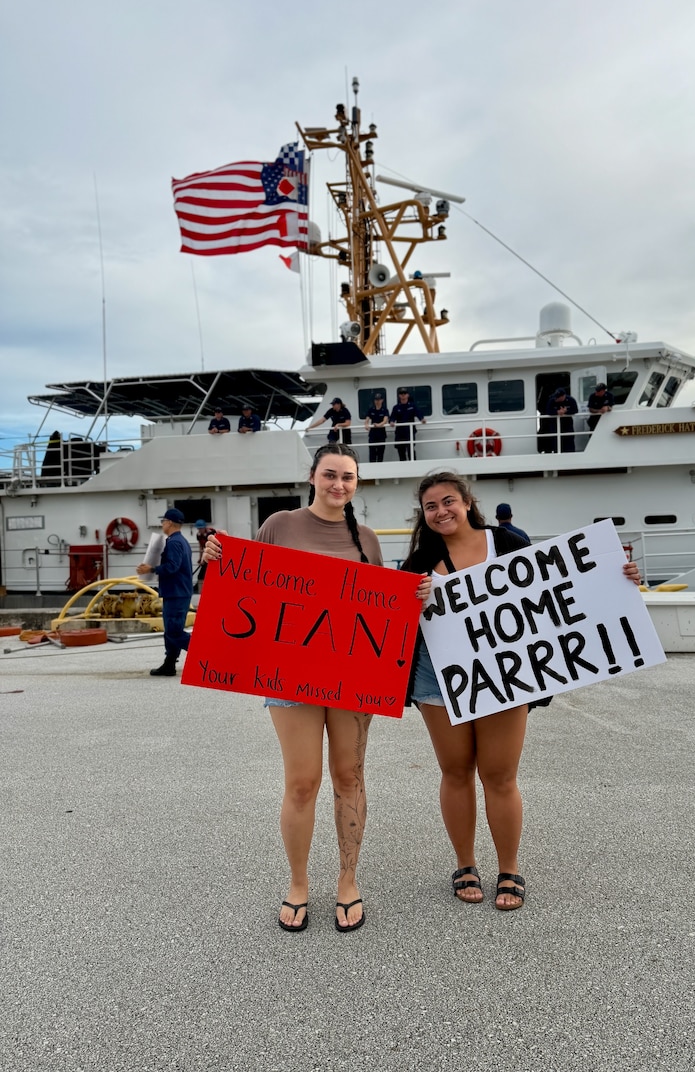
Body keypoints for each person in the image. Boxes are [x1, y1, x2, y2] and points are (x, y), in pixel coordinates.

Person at [201, 443, 431, 934]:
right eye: (330, 475)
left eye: (348, 477)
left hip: (352, 677)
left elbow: (381, 610)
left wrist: (418, 595)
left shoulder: (367, 539)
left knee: (349, 776)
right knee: (301, 783)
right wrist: (215, 560)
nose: (338, 485)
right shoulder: (279, 526)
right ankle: (299, 883)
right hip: (288, 673)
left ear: (356, 484)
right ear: (312, 476)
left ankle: (348, 880)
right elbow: (248, 591)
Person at [400, 471, 641, 911]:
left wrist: (618, 576)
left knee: (500, 775)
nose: (441, 511)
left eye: (448, 501)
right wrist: (408, 600)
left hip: (506, 674)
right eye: (431, 506)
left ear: (468, 502)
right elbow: (395, 620)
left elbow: (560, 590)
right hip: (437, 677)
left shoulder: (508, 545)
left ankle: (508, 869)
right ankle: (465, 863)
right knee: (455, 772)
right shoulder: (419, 560)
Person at [136, 508, 194, 677]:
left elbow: (172, 567)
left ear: (169, 523)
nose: (162, 524)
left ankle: (205, 655)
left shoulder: (174, 543)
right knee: (171, 631)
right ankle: (169, 664)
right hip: (178, 592)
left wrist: (151, 568)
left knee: (174, 631)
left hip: (176, 593)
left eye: (163, 521)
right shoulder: (181, 541)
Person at [389, 387, 426, 460]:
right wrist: (391, 421)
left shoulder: (412, 406)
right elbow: (392, 417)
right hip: (400, 432)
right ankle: (403, 465)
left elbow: (418, 413)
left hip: (410, 432)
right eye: (401, 394)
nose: (403, 395)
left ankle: (413, 464)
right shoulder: (396, 408)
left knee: (410, 450)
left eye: (404, 393)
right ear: (399, 396)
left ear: (407, 395)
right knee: (401, 450)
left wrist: (422, 419)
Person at [543, 387, 578, 453]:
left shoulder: (570, 400)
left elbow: (575, 410)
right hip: (555, 425)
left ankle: (570, 455)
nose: (556, 399)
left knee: (569, 440)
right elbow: (548, 411)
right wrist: (557, 412)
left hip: (567, 424)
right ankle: (557, 454)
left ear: (563, 396)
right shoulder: (552, 400)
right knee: (556, 441)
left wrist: (566, 412)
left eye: (558, 397)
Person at [363, 391, 389, 463]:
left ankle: (380, 466)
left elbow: (385, 420)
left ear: (382, 400)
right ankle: (372, 466)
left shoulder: (385, 410)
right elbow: (367, 419)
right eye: (376, 400)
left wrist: (379, 425)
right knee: (372, 452)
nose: (377, 401)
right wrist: (366, 425)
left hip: (381, 434)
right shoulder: (371, 410)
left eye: (379, 399)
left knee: (380, 452)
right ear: (374, 401)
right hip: (373, 434)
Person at [194, 518, 216, 587]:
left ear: (204, 527)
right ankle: (201, 593)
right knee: (200, 576)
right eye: (198, 529)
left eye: (201, 528)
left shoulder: (211, 533)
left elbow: (212, 546)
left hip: (213, 555)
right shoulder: (199, 535)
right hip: (206, 555)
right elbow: (201, 547)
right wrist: (200, 558)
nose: (200, 530)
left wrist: (203, 559)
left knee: (211, 575)